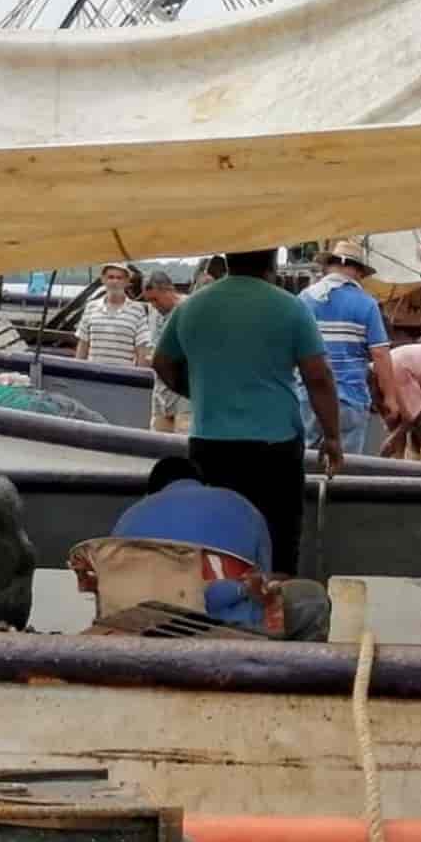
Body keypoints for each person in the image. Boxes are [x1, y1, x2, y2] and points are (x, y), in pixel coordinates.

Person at [152, 248, 342, 575]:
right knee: (277, 541)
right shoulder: (290, 307)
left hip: (209, 445)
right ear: (272, 263)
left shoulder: (193, 306)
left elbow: (162, 363)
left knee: (216, 540)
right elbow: (319, 378)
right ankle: (273, 613)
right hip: (273, 448)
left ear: (227, 261)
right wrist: (333, 436)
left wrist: (200, 391)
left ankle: (218, 613)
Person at [109, 457, 329, 639]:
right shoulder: (241, 506)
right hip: (233, 633)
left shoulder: (127, 518)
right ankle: (294, 680)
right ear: (203, 485)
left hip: (142, 634)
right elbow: (262, 586)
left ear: (151, 493)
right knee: (312, 597)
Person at [297, 240, 400, 457]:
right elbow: (380, 354)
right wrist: (390, 397)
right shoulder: (366, 304)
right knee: (345, 467)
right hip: (349, 399)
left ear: (329, 265)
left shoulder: (305, 299)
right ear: (356, 270)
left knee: (305, 463)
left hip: (308, 398)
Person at [140, 270, 191, 433]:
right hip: (160, 390)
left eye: (155, 299)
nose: (153, 305)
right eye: (149, 301)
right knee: (156, 436)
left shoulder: (190, 309)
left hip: (184, 390)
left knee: (183, 433)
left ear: (169, 290)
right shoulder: (154, 312)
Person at [77, 262, 152, 368]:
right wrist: (78, 370)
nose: (115, 281)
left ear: (127, 281)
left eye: (119, 278)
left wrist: (140, 377)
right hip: (92, 374)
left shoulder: (138, 310)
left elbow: (142, 347)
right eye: (111, 277)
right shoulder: (91, 307)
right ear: (103, 280)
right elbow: (83, 344)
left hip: (123, 377)